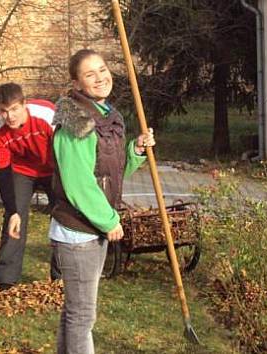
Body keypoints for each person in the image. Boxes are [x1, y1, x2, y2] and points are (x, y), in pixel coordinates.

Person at [50, 49, 155, 354]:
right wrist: (109, 221)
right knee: (82, 316)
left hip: (90, 226)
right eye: (89, 74)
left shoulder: (107, 115)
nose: (100, 77)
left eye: (103, 69)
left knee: (75, 313)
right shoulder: (77, 125)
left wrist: (134, 151)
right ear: (76, 83)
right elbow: (78, 184)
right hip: (78, 230)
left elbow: (108, 172)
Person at [0, 82, 60, 290]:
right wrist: (13, 210)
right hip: (21, 172)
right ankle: (6, 280)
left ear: (24, 104)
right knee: (14, 220)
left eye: (14, 109)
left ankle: (61, 277)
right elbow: (2, 174)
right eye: (4, 111)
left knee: (64, 217)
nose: (10, 116)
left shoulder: (47, 115)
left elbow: (67, 151)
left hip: (55, 168)